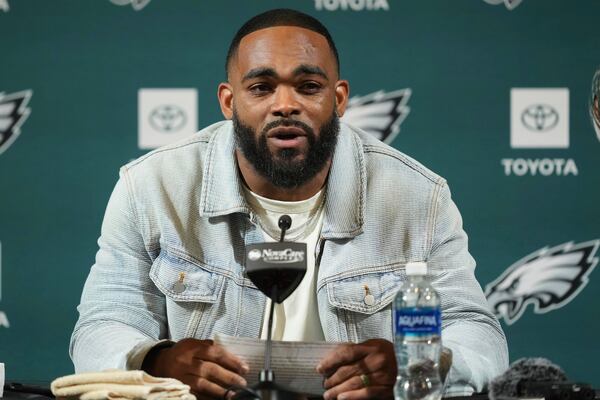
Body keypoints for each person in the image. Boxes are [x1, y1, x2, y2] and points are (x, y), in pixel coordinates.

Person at [70, 8, 508, 400]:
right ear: (229, 101)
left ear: (338, 99)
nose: (285, 105)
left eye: (308, 86)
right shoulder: (152, 187)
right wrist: (155, 362)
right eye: (261, 87)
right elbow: (100, 327)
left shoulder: (417, 197)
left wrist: (417, 365)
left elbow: (479, 336)